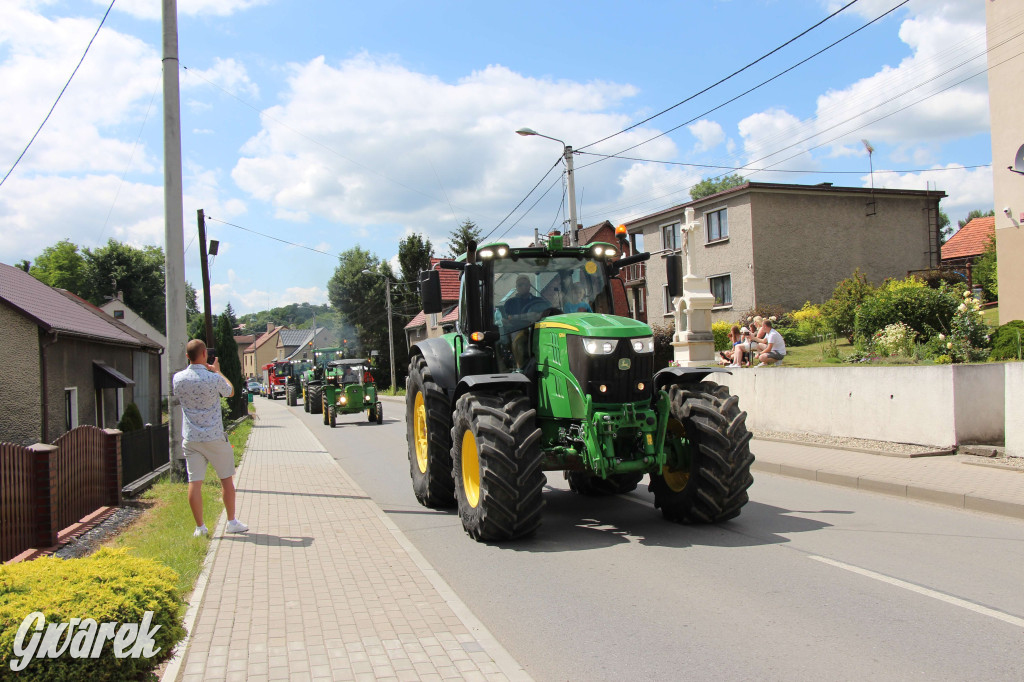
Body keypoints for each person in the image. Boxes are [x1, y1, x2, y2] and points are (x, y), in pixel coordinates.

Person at [172, 339, 249, 537]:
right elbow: (230, 391)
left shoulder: (178, 379)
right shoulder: (212, 378)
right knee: (226, 481)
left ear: (187, 356)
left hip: (192, 437)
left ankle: (200, 527)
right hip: (214, 436)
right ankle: (231, 522)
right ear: (205, 354)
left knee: (194, 482)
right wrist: (217, 371)